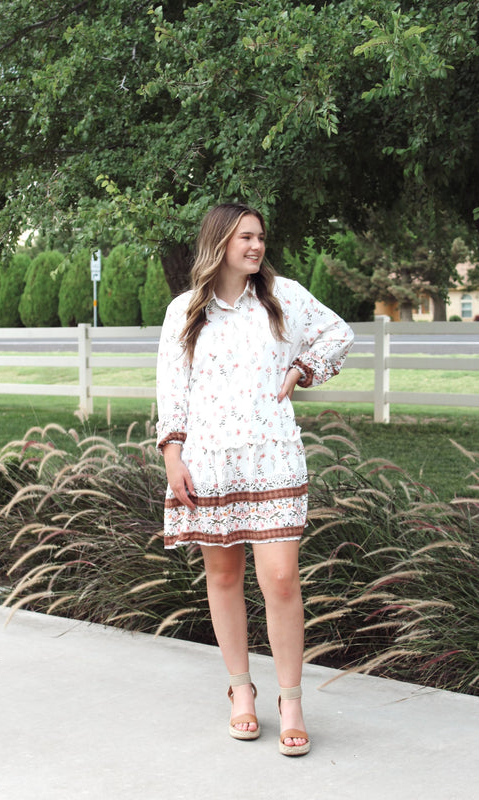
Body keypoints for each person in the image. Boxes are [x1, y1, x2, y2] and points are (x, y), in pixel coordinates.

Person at [156, 202, 354, 756]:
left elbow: (338, 333)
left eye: (261, 237)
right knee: (222, 578)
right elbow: (172, 390)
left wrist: (302, 368)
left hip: (272, 457)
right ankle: (241, 691)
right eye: (245, 237)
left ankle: (290, 700)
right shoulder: (184, 312)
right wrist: (173, 456)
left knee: (282, 578)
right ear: (218, 243)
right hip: (210, 461)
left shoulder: (284, 297)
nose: (256, 246)